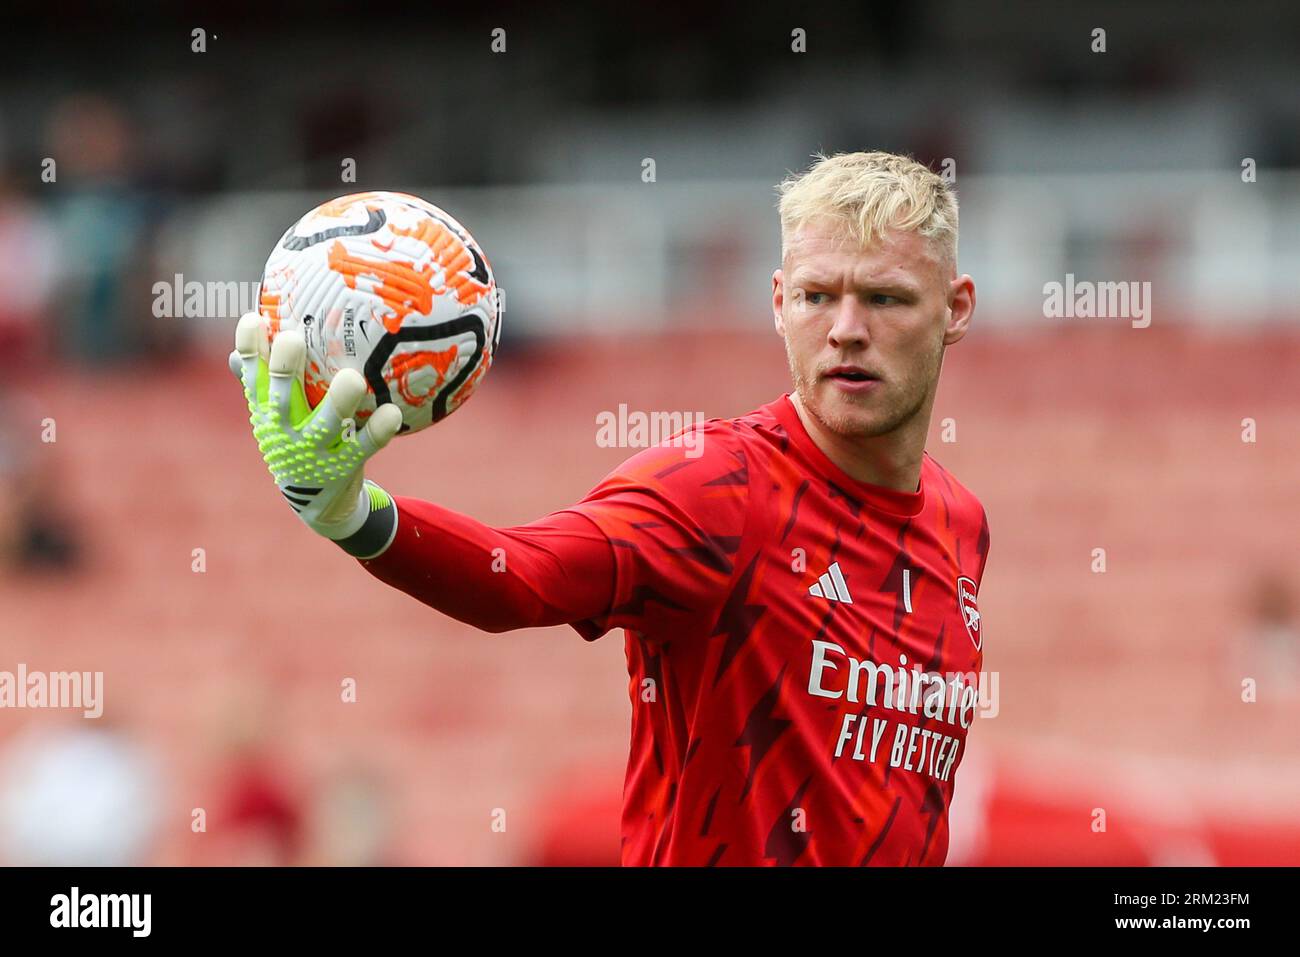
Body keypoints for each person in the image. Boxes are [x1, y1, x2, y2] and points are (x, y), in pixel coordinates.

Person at [231, 151, 989, 866]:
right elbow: (520, 576)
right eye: (818, 295)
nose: (846, 328)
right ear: (779, 301)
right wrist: (354, 515)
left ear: (956, 309)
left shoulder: (961, 522)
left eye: (885, 298)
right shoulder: (719, 486)